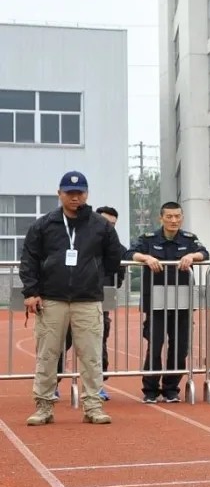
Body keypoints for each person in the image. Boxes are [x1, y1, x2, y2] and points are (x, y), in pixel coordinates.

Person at [19, 171, 124, 426]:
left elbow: (114, 258)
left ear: (87, 194)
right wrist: (31, 292)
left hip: (87, 300)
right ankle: (44, 406)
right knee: (48, 355)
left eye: (79, 193)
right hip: (51, 300)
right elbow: (29, 258)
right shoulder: (44, 225)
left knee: (91, 356)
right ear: (60, 194)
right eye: (69, 193)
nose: (75, 197)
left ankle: (93, 406)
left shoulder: (100, 225)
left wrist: (94, 275)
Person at [125, 201, 210, 403]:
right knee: (155, 345)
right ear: (161, 218)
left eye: (177, 216)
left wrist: (192, 256)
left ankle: (171, 389)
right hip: (156, 303)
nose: (174, 220)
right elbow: (129, 253)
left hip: (182, 302)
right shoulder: (149, 239)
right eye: (169, 216)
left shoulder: (189, 239)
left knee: (180, 347)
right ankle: (150, 390)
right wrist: (146, 258)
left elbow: (205, 253)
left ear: (182, 217)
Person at [55, 205, 125, 401]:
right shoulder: (78, 241)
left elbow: (118, 276)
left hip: (97, 303)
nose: (108, 226)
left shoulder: (118, 248)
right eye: (104, 222)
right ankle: (52, 383)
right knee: (60, 344)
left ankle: (97, 386)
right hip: (69, 301)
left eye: (112, 224)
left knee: (97, 346)